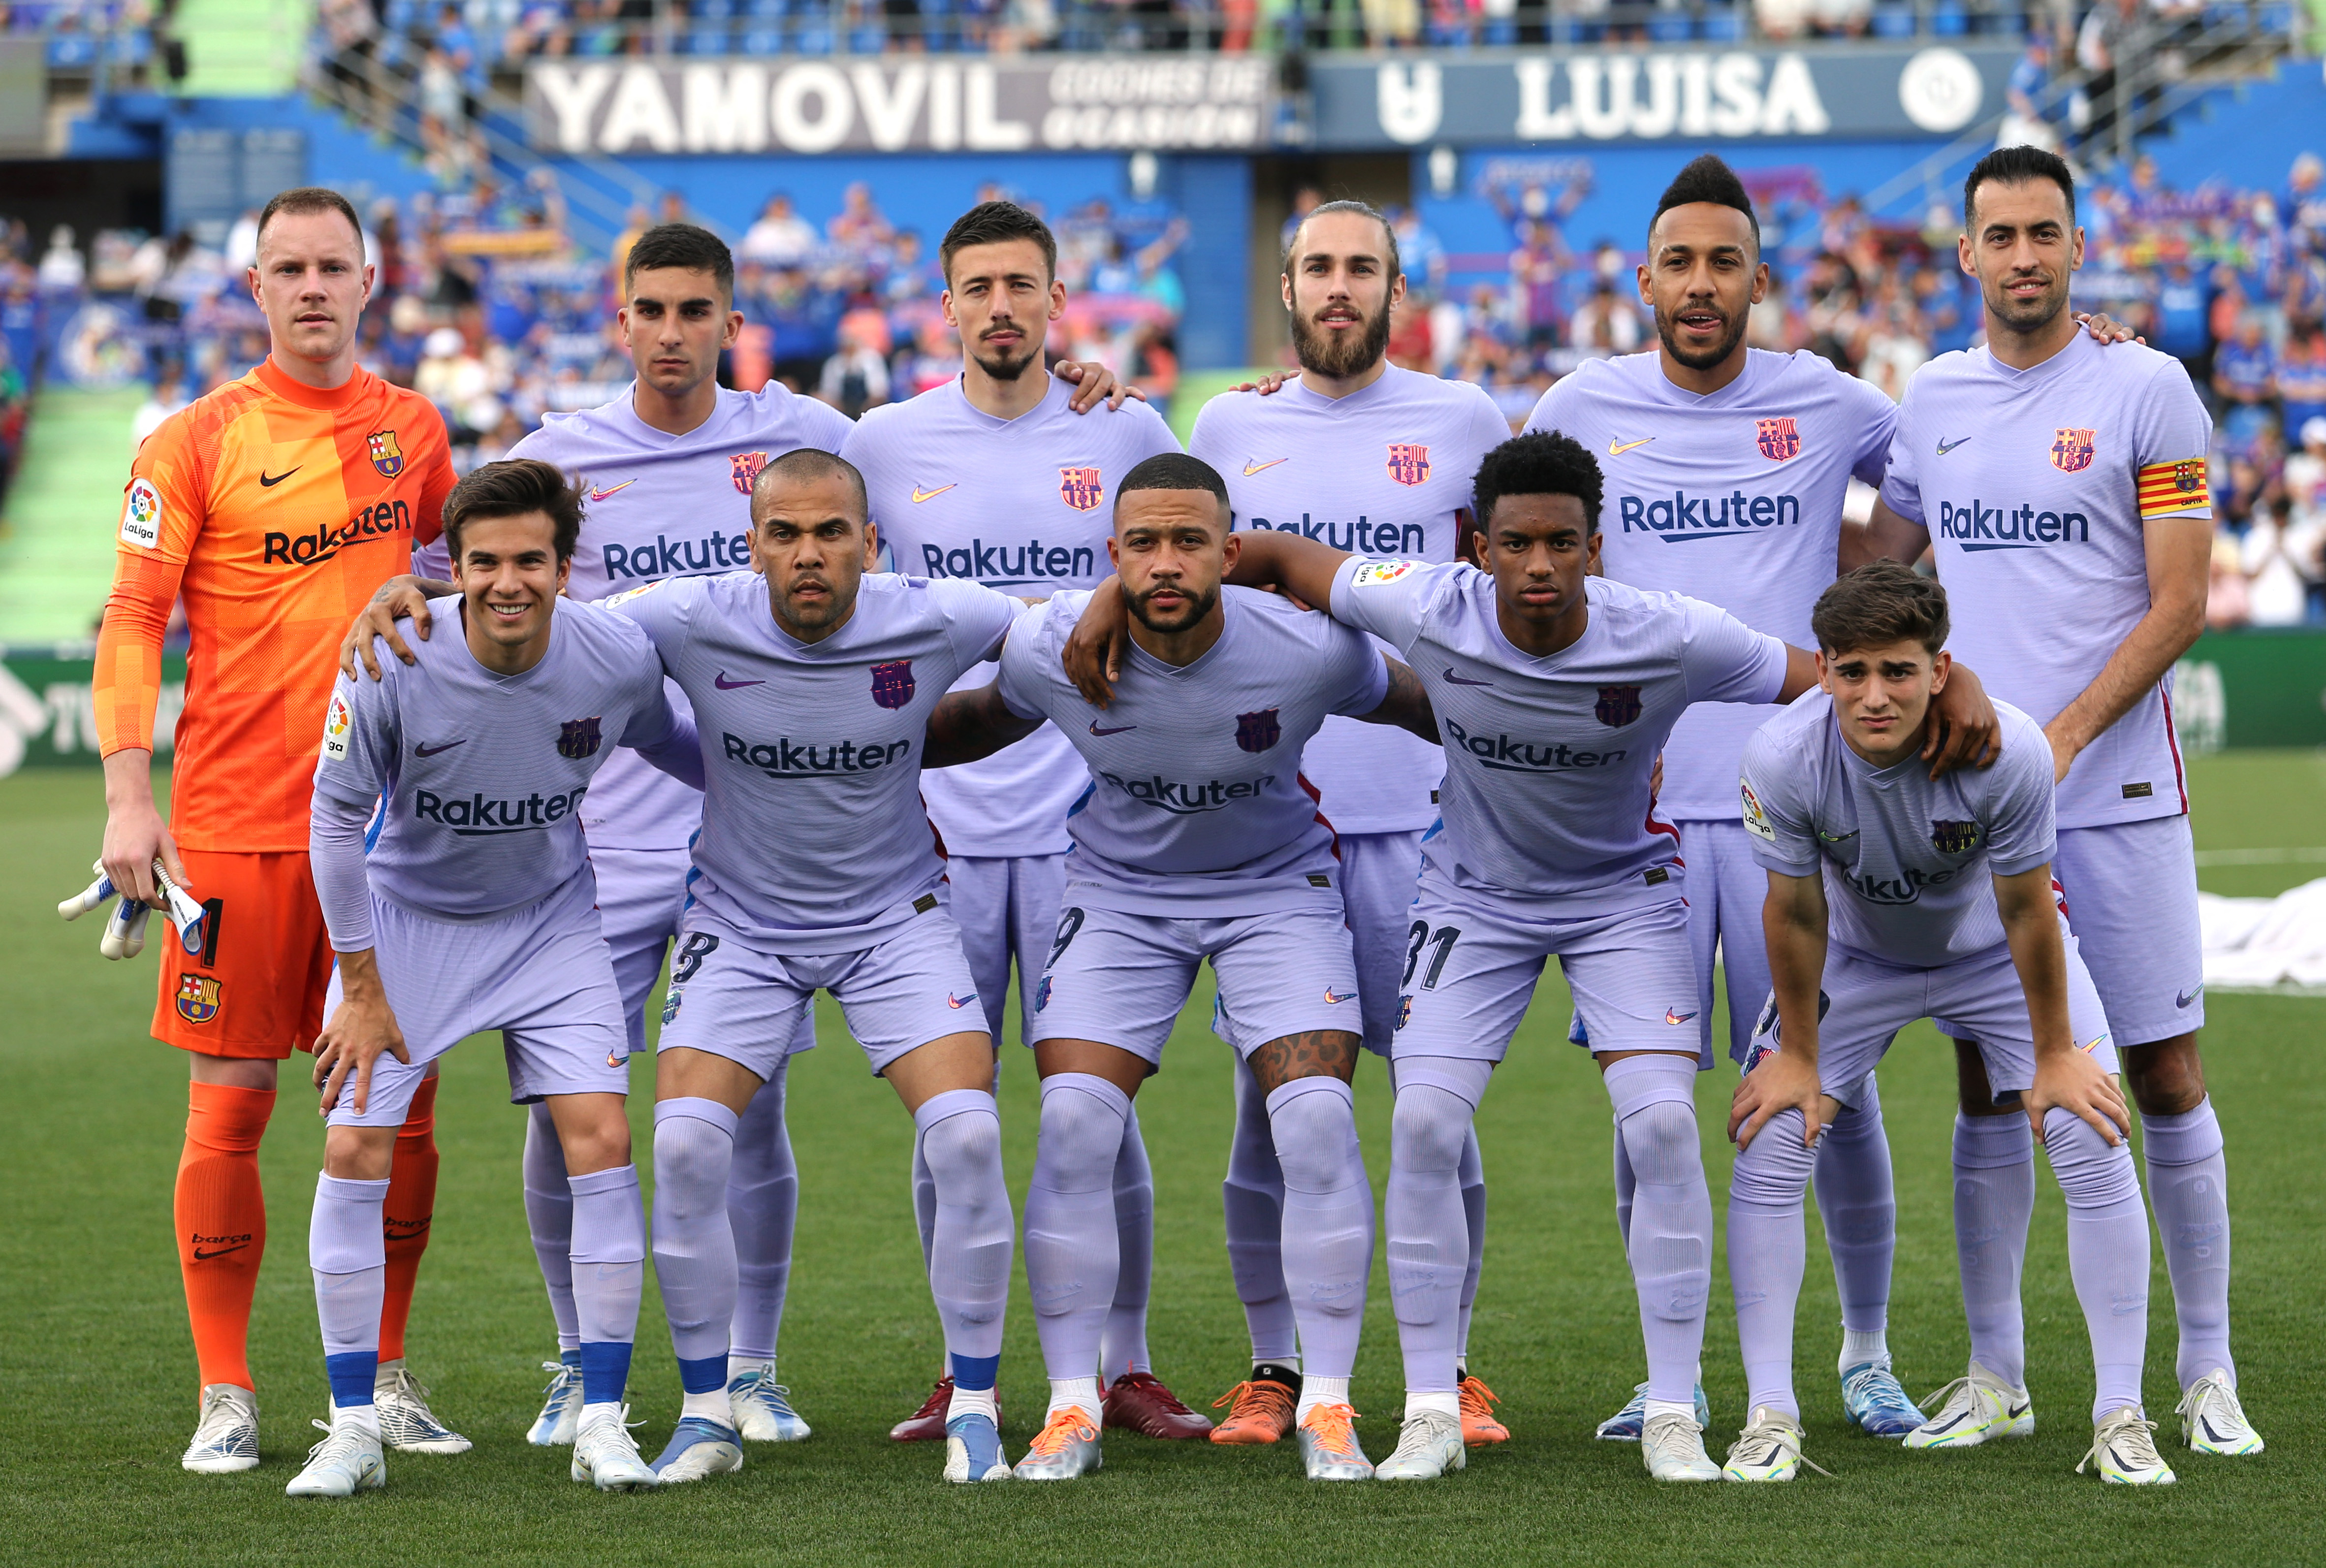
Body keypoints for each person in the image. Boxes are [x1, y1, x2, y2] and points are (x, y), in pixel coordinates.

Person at [346, 223, 1140, 1450]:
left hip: (796, 845)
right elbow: (484, 585)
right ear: (620, 320)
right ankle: (583, 1361)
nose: (672, 332)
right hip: (604, 842)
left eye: (695, 310)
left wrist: (1084, 394)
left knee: (763, 1118)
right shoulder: (558, 457)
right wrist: (405, 585)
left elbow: (991, 534)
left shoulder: (813, 440)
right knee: (583, 1121)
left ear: (730, 320)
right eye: (649, 310)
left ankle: (761, 1372)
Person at [1143, 431, 1831, 1484]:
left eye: (1562, 542)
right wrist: (1113, 602)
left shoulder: (1674, 635)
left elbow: (1825, 684)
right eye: (1517, 543)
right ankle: (1427, 1408)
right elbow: (1272, 555)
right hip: (1473, 900)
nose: (1541, 565)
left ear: (1597, 548)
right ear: (1479, 547)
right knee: (1420, 1121)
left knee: (1657, 1126)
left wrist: (1959, 699)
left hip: (1622, 903)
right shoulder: (1423, 604)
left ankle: (1672, 1411)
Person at [1525, 152, 2006, 1446]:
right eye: (1676, 263)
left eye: (1720, 262)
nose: (1697, 285)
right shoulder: (1578, 402)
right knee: (1653, 1108)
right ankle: (1664, 1366)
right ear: (1641, 280)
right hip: (1635, 814)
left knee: (1825, 1086)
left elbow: (1951, 459)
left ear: (1756, 278)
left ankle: (1860, 1354)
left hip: (1802, 810)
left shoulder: (1826, 399)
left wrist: (1864, 605)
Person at [1857, 143, 2264, 1459]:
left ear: (2074, 246)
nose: (2023, 255)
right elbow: (1887, 568)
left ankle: (2203, 1369)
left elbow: (2180, 600)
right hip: (1967, 803)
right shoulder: (1930, 398)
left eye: (2044, 232)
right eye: (1999, 234)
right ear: (1962, 254)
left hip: (2115, 788)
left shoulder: (2147, 387)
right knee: (1992, 1080)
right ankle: (1995, 1374)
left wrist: (2065, 735)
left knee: (2158, 1068)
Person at [941, 451, 1438, 1481]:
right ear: (1110, 554)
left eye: (1187, 542)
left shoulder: (1306, 651)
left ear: (1229, 550)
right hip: (1119, 899)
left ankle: (1331, 1409)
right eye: (1142, 544)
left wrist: (1560, 742)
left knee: (1314, 1119)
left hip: (1275, 892)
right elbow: (975, 722)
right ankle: (1073, 1405)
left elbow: (1422, 705)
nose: (1165, 563)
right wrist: (841, 749)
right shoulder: (1050, 649)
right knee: (1075, 1122)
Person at [94, 187, 460, 1474]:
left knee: (399, 1113)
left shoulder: (415, 430)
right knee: (233, 1104)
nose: (312, 288)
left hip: (392, 830)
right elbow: (134, 619)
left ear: (371, 281)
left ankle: (390, 1375)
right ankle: (227, 1390)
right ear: (254, 288)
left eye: (332, 267)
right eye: (286, 269)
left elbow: (447, 595)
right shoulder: (191, 440)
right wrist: (129, 794)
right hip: (239, 826)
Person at [840, 201, 1202, 1443]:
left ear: (1059, 301)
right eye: (976, 286)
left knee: (1092, 1106)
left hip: (1089, 822)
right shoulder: (880, 442)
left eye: (1021, 286)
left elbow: (1190, 571)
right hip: (929, 823)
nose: (1000, 306)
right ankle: (968, 1367)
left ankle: (1125, 1363)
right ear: (943, 307)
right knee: (954, 1112)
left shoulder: (1127, 428)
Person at [609, 448, 1027, 1487]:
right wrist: (421, 600)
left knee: (968, 1136)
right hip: (739, 925)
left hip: (895, 919)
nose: (809, 555)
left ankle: (974, 1406)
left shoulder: (934, 615)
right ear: (750, 546)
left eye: (831, 533)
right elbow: (538, 626)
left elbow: (1068, 631)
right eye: (785, 534)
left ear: (869, 545)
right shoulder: (688, 615)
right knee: (689, 1151)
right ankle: (706, 1413)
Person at [288, 460, 698, 1497]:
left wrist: (791, 790)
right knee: (353, 1142)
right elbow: (334, 822)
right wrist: (364, 990)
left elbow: (683, 748)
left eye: (529, 561)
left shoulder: (612, 656)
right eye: (483, 563)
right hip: (405, 929)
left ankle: (601, 1416)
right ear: (451, 570)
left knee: (601, 1139)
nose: (507, 583)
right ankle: (349, 1427)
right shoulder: (391, 657)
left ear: (565, 568)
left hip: (550, 925)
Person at [1724, 563, 2166, 1484]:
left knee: (2090, 1128)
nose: (1873, 696)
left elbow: (2027, 912)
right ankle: (1770, 1415)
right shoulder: (1780, 754)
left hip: (1989, 958)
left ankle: (2121, 1414)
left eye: (1896, 671)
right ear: (1829, 671)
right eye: (1851, 672)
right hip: (1857, 956)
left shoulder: (2009, 751)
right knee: (1769, 1133)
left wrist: (2051, 1055)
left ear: (1938, 669)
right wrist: (1797, 1057)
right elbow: (1794, 915)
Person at [1187, 198, 1513, 1448]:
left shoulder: (1462, 420)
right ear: (1285, 287)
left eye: (1360, 269)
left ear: (1394, 289)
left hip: (1429, 817)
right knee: (1270, 1101)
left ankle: (1453, 1364)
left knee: (1434, 1101)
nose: (1338, 288)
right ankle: (1273, 1367)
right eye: (1317, 268)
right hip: (1271, 820)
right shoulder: (1226, 424)